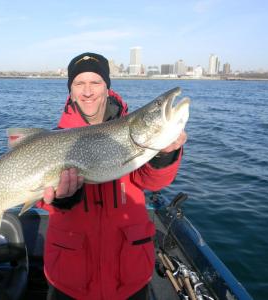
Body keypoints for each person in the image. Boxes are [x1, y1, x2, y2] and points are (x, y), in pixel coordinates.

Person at [37, 52, 187, 300]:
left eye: (95, 83)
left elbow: (153, 181)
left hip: (129, 272)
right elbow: (39, 196)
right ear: (71, 90)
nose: (88, 91)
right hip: (71, 276)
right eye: (79, 84)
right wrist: (61, 200)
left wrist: (163, 155)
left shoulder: (129, 130)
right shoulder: (55, 139)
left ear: (107, 88)